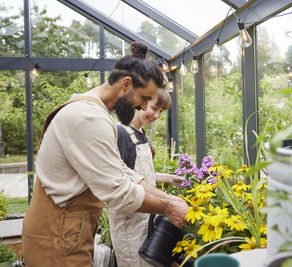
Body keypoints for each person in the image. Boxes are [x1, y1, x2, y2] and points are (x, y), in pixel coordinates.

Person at [22, 42, 189, 267]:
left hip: (67, 233)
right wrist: (168, 208)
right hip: (57, 237)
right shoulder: (87, 117)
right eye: (144, 98)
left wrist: (169, 198)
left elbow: (121, 170)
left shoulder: (93, 111)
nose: (143, 107)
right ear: (126, 85)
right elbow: (118, 191)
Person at [110, 88, 182, 267]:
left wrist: (168, 178)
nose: (157, 115)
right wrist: (168, 200)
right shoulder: (121, 134)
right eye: (154, 108)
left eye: (161, 111)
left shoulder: (140, 133)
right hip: (128, 220)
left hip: (145, 217)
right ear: (141, 102)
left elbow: (139, 174)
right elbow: (123, 178)